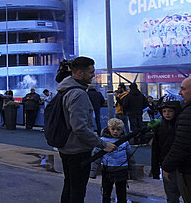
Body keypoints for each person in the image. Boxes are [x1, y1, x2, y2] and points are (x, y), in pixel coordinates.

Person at [57, 56, 117, 203]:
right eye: (91, 72)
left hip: (66, 147)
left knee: (69, 185)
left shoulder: (65, 90)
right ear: (79, 73)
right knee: (77, 191)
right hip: (78, 150)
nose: (93, 75)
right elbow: (80, 128)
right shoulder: (78, 94)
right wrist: (103, 144)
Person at [90, 118, 135, 203]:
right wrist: (93, 172)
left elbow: (131, 159)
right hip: (108, 170)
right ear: (108, 129)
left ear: (122, 130)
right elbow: (96, 157)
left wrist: (133, 173)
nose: (115, 132)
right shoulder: (103, 141)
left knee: (122, 194)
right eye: (113, 129)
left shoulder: (125, 142)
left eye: (118, 129)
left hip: (122, 170)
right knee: (106, 193)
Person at [150, 100, 182, 203]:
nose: (167, 114)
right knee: (171, 194)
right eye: (164, 111)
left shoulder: (181, 126)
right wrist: (155, 170)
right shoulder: (160, 127)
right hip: (166, 164)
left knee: (186, 193)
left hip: (182, 165)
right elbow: (155, 150)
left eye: (170, 111)